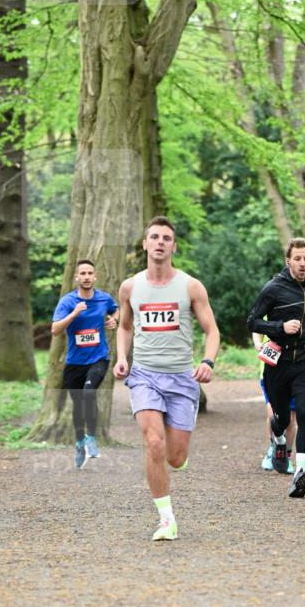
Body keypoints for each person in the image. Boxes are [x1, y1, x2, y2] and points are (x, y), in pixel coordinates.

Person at [113, 216, 220, 541]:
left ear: (174, 246)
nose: (160, 242)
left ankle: (176, 457)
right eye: (155, 237)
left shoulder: (190, 286)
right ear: (145, 244)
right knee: (153, 442)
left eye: (166, 238)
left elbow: (212, 331)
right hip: (144, 376)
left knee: (175, 456)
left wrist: (207, 361)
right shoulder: (130, 287)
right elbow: (125, 327)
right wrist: (122, 357)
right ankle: (166, 519)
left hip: (181, 379)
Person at [247, 238, 305, 498]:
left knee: (304, 412)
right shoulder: (273, 289)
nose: (302, 263)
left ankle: (299, 474)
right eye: (297, 259)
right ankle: (279, 439)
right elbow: (252, 322)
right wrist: (279, 327)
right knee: (282, 418)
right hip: (279, 363)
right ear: (288, 260)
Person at [51, 259, 118, 469]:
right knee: (78, 404)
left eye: (90, 273)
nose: (87, 277)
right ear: (76, 277)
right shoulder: (67, 301)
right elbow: (55, 330)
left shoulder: (104, 298)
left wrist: (114, 319)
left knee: (89, 393)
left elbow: (115, 309)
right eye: (83, 273)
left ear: (95, 276)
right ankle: (80, 443)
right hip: (74, 363)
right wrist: (74, 313)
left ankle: (91, 438)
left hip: (98, 358)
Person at [252, 332, 297, 473]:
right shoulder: (268, 316)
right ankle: (274, 448)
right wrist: (258, 343)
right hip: (270, 371)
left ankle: (286, 457)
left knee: (291, 418)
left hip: (295, 372)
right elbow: (256, 329)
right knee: (272, 412)